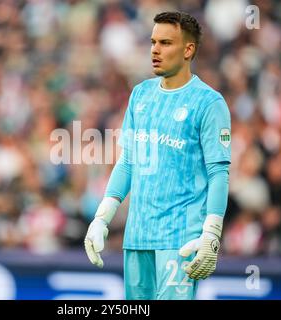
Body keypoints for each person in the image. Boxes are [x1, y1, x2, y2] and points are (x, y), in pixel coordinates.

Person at [84, 11, 231, 300]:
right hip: (137, 236)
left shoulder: (209, 103)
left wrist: (212, 233)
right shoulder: (140, 94)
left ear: (188, 49)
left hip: (180, 239)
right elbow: (128, 162)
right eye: (153, 42)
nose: (155, 49)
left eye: (165, 42)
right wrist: (102, 218)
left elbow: (218, 173)